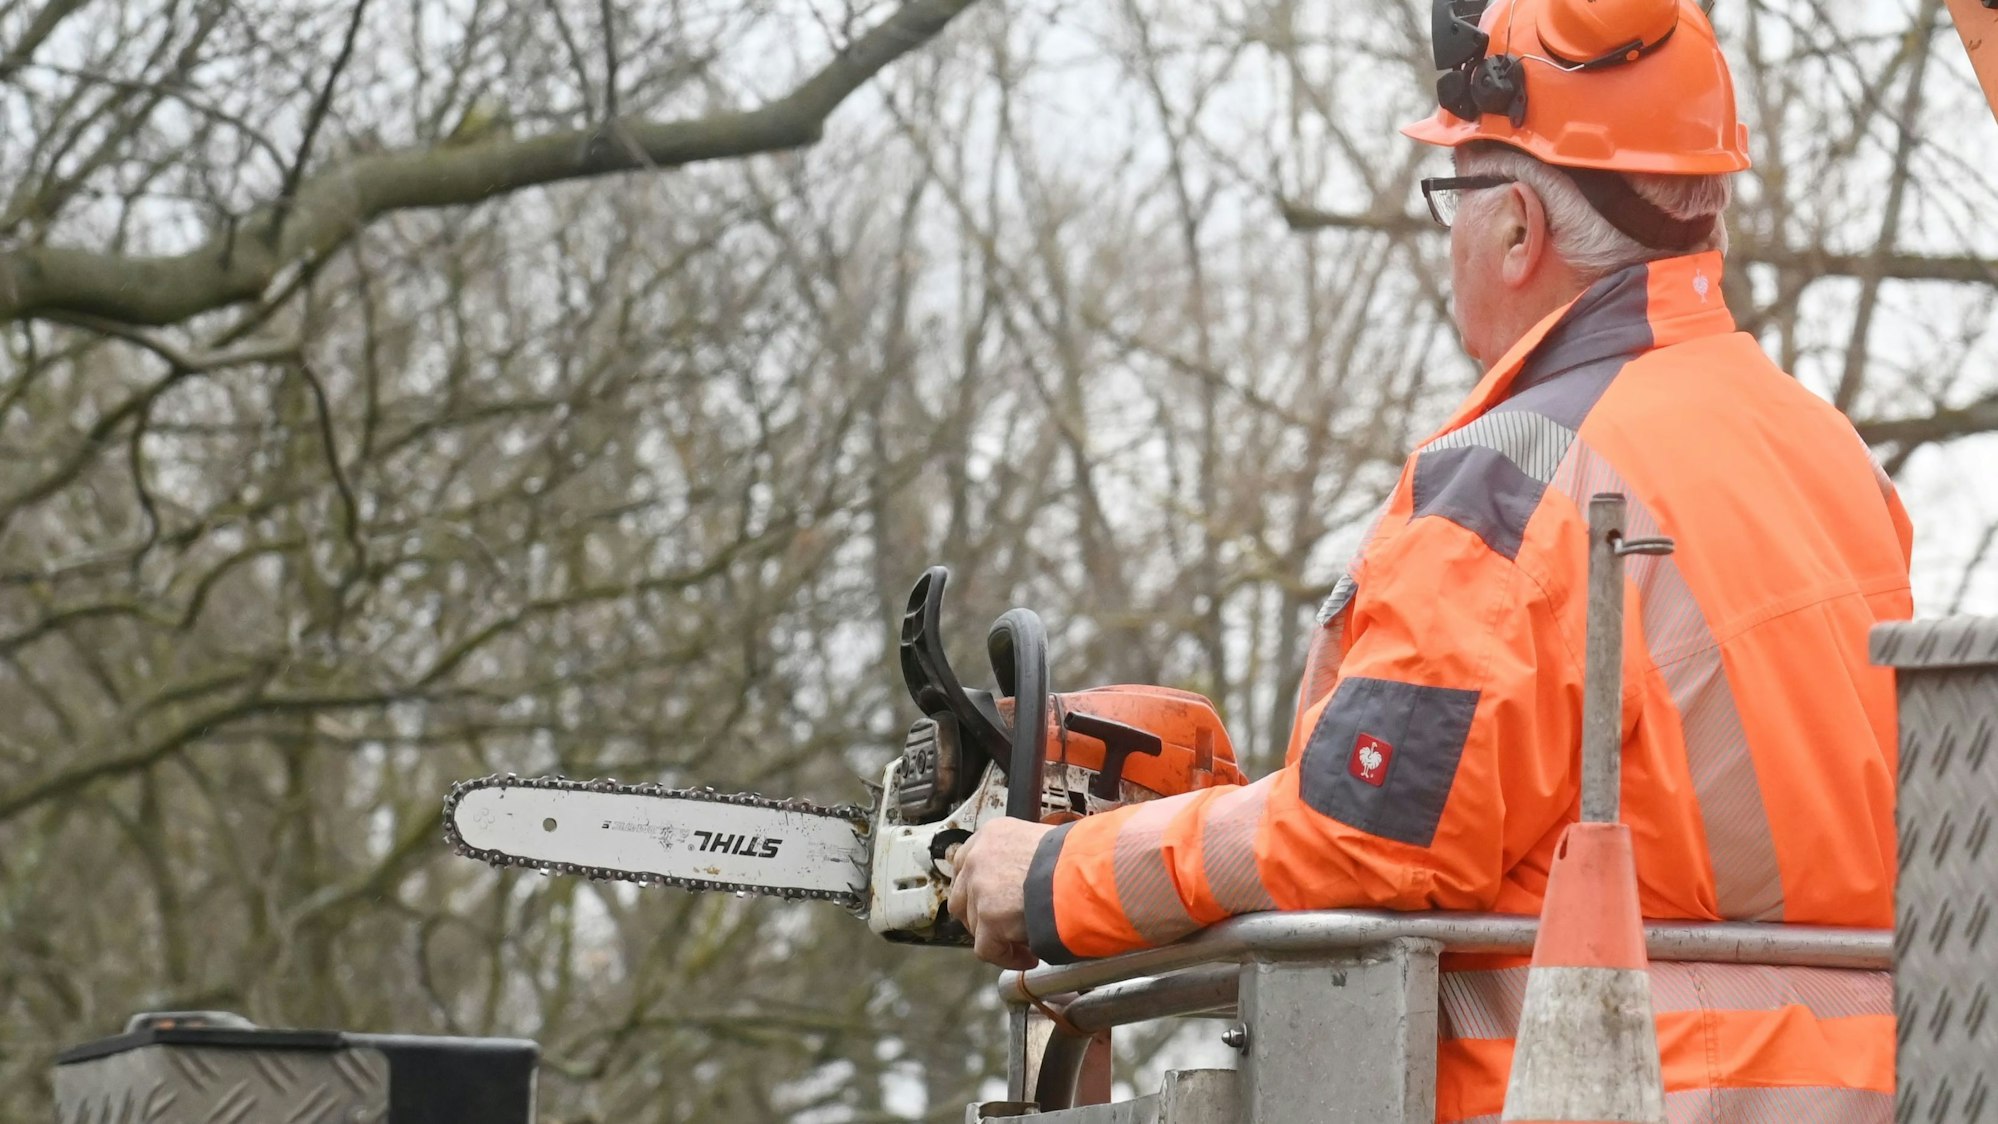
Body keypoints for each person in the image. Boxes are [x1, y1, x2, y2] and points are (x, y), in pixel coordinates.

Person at [946, 0, 1910, 1118]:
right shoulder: (1829, 453)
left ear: (1515, 230)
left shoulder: (1520, 471)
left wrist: (1058, 876)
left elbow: (1361, 839)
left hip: (1598, 1095)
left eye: (1455, 194)